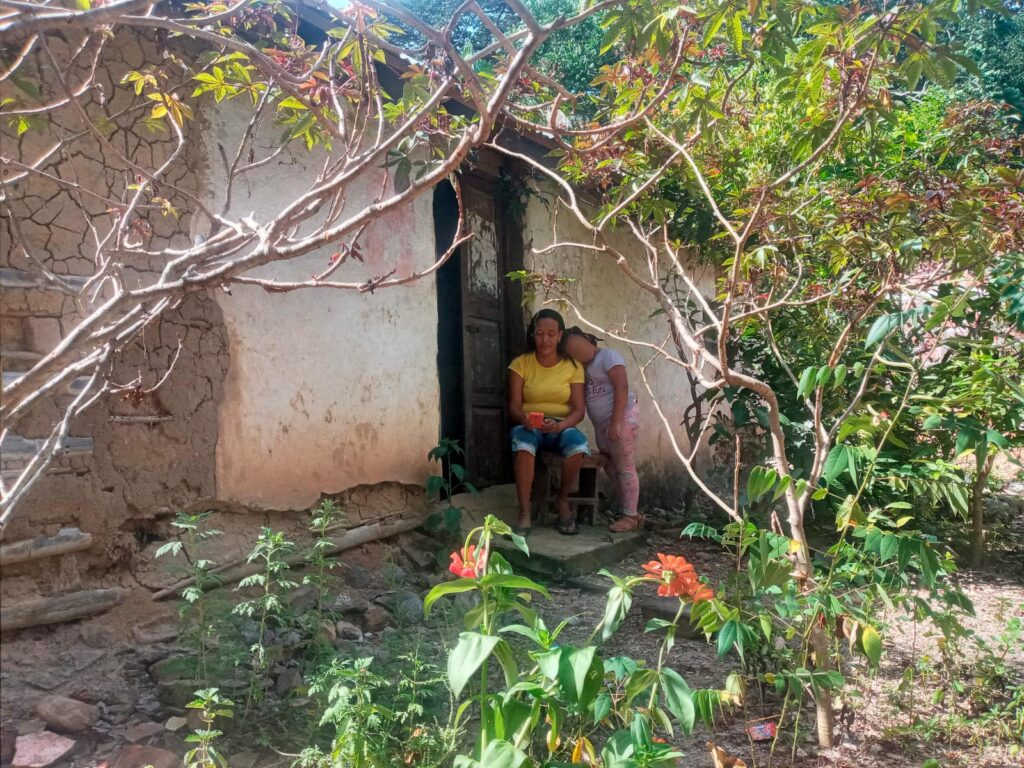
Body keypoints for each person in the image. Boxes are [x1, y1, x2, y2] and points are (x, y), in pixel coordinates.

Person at [508, 309, 590, 535]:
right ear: (533, 334)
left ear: (560, 335)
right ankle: (524, 512)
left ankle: (562, 500)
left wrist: (561, 425)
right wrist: (524, 419)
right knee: (523, 444)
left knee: (577, 444)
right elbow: (514, 405)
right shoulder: (521, 363)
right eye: (540, 333)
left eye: (551, 334)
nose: (545, 339)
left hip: (560, 426)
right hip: (528, 426)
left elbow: (579, 410)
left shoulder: (572, 367)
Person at [565, 327, 643, 532]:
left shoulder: (608, 356)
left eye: (579, 346)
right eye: (573, 352)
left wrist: (616, 421)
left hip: (621, 420)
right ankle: (631, 511)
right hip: (603, 426)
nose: (578, 352)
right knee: (610, 466)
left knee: (625, 468)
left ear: (587, 338)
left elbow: (622, 387)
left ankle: (630, 516)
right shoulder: (583, 368)